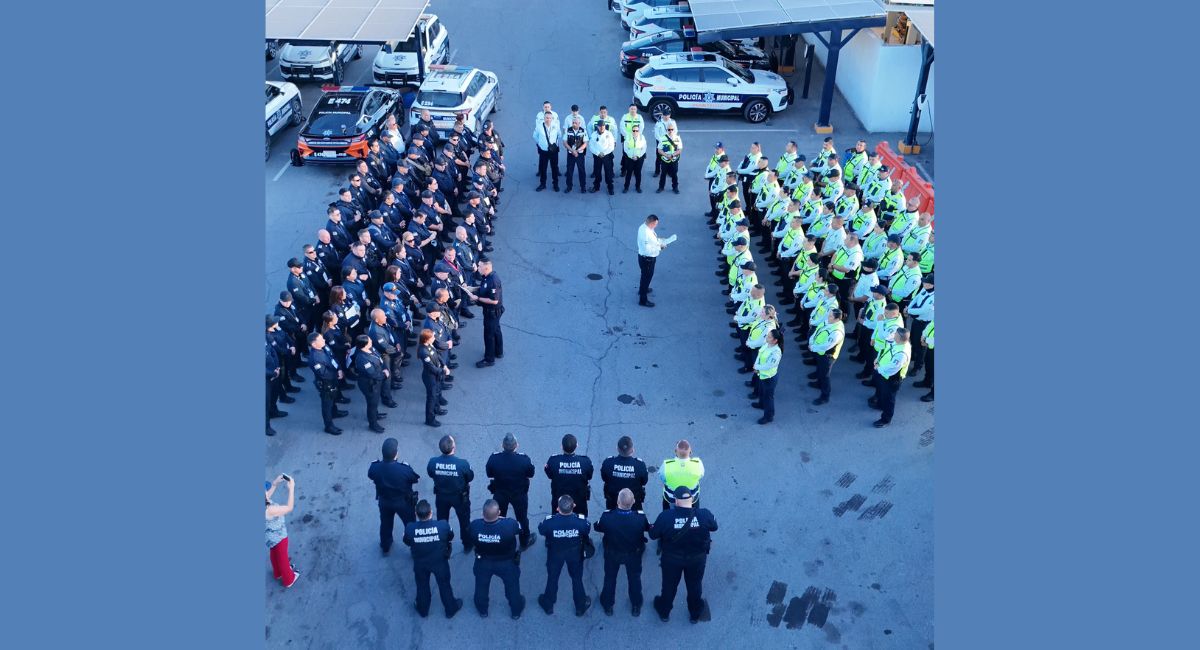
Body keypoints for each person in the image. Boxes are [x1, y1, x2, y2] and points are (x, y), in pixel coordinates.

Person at [650, 486, 718, 624]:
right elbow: (714, 527)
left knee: (669, 586)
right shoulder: (704, 515)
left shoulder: (666, 517)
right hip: (697, 559)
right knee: (694, 585)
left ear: (676, 501)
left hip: (671, 560)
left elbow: (653, 534)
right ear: (692, 499)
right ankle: (694, 614)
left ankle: (664, 612)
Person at [403, 499, 464, 619]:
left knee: (422, 585)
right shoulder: (442, 525)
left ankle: (423, 609)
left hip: (420, 563)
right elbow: (450, 536)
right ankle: (450, 609)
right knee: (444, 585)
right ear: (431, 513)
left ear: (416, 514)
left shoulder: (410, 528)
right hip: (439, 562)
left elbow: (407, 541)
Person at [536, 495, 593, 616]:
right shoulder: (581, 521)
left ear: (557, 508)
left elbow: (541, 530)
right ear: (574, 506)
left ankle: (548, 604)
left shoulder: (549, 522)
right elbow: (587, 530)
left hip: (555, 553)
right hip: (575, 554)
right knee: (576, 579)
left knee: (553, 578)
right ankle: (580, 606)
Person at [596, 488, 650, 616]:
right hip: (633, 554)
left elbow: (598, 527)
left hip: (612, 553)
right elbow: (648, 528)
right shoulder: (640, 518)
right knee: (634, 579)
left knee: (609, 578)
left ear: (617, 501)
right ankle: (636, 605)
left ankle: (608, 605)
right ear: (633, 502)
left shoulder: (607, 516)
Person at [468, 499, 526, 619]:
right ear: (499, 512)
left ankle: (482, 610)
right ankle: (516, 611)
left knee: (481, 586)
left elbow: (470, 535)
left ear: (483, 514)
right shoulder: (509, 525)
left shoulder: (475, 526)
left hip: (483, 561)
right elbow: (520, 529)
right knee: (512, 587)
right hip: (506, 562)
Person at [544, 434, 595, 557]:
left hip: (559, 499)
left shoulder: (553, 460)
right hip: (579, 499)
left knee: (557, 518)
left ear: (561, 446)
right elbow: (589, 476)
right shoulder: (585, 461)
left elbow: (549, 474)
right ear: (577, 446)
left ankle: (552, 538)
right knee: (581, 518)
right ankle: (584, 538)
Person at [368, 437, 419, 555]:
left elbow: (370, 475)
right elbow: (415, 478)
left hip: (384, 501)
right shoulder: (404, 469)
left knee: (385, 523)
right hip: (403, 503)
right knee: (410, 524)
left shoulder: (374, 467)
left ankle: (385, 545)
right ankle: (414, 547)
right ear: (396, 454)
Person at [485, 433, 538, 549]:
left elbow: (489, 473)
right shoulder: (523, 459)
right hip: (519, 494)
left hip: (500, 492)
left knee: (498, 517)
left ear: (502, 445)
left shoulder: (494, 458)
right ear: (516, 446)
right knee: (522, 518)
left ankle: (499, 539)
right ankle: (524, 541)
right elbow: (531, 473)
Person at [428, 435, 474, 552]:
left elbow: (431, 474)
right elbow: (470, 477)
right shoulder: (462, 464)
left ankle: (444, 544)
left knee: (442, 521)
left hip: (441, 496)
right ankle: (467, 544)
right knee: (464, 521)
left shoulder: (433, 462)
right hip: (459, 498)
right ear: (453, 447)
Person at [869, 327, 912, 428]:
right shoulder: (896, 342)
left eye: (896, 334)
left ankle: (886, 419)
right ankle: (880, 405)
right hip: (883, 374)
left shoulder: (902, 353)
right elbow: (884, 349)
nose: (894, 335)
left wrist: (878, 368)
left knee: (889, 399)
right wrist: (878, 359)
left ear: (900, 338)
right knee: (882, 392)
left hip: (892, 379)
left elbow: (892, 368)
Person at [307, 331, 347, 435]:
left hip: (334, 378)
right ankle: (328, 426)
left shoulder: (324, 347)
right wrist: (337, 375)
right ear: (314, 344)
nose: (324, 340)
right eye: (321, 340)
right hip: (326, 383)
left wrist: (339, 369)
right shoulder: (315, 358)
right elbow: (324, 374)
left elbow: (333, 357)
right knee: (326, 404)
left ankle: (335, 412)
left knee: (333, 398)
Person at [265, 475, 300, 588]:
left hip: (269, 537)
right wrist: (292, 489)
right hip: (279, 536)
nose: (267, 491)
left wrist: (275, 484)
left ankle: (278, 573)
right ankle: (289, 579)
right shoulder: (270, 509)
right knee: (283, 557)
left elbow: (267, 496)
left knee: (274, 553)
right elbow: (289, 508)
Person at [806, 308, 845, 405]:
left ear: (837, 319)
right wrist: (811, 342)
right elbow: (817, 332)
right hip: (818, 352)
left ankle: (825, 396)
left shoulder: (837, 332)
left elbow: (826, 346)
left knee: (825, 375)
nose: (828, 316)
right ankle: (818, 383)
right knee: (819, 368)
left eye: (831, 316)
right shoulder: (828, 321)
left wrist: (813, 347)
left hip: (827, 356)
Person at [600, 436, 649, 511]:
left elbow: (604, 478)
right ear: (632, 450)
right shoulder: (640, 465)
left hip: (613, 501)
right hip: (633, 503)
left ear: (617, 449)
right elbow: (644, 481)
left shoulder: (608, 463)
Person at [353, 335, 388, 433]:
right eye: (369, 341)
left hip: (376, 381)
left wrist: (384, 368)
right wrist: (384, 375)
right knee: (372, 403)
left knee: (375, 401)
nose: (371, 341)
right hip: (369, 384)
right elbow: (372, 373)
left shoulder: (371, 349)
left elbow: (380, 359)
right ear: (364, 345)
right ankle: (373, 424)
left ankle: (375, 415)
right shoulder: (362, 358)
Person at [474, 257, 504, 367]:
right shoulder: (487, 277)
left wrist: (477, 298)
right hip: (492, 312)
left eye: (479, 266)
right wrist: (474, 289)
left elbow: (494, 300)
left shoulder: (493, 281)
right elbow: (484, 288)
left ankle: (489, 359)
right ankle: (498, 352)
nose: (477, 268)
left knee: (489, 335)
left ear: (486, 268)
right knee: (496, 330)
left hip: (492, 312)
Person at [660, 440, 704, 512]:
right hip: (691, 498)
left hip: (672, 498)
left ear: (675, 451)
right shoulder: (697, 464)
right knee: (694, 515)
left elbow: (663, 478)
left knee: (669, 515)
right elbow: (701, 475)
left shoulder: (666, 465)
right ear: (690, 452)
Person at [751, 328, 783, 424]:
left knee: (768, 397)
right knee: (761, 391)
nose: (767, 337)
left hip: (769, 378)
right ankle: (761, 404)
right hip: (762, 374)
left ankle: (769, 416)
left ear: (775, 340)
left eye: (769, 337)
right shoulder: (767, 345)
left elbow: (769, 365)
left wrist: (757, 367)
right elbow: (760, 355)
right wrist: (756, 366)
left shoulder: (776, 352)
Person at [636, 214, 670, 307]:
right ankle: (643, 300)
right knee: (646, 277)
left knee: (645, 276)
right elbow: (647, 249)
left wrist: (658, 241)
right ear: (651, 223)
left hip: (644, 257)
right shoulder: (646, 233)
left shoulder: (644, 227)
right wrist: (660, 247)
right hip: (647, 259)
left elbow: (652, 240)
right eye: (655, 224)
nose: (656, 226)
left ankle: (643, 289)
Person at [418, 329, 448, 427]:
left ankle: (437, 408)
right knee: (431, 398)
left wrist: (444, 365)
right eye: (432, 337)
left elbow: (437, 355)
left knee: (437, 392)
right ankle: (430, 419)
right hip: (430, 377)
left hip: (436, 375)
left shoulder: (430, 345)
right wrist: (443, 371)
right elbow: (431, 367)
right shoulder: (423, 351)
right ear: (426, 339)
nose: (434, 338)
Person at [533, 111, 561, 192]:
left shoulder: (556, 126)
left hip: (554, 151)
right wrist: (541, 144)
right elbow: (535, 136)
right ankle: (542, 184)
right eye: (546, 118)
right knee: (543, 168)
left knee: (554, 168)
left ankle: (555, 184)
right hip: (544, 151)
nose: (548, 119)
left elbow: (559, 135)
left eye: (549, 118)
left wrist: (554, 145)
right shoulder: (539, 127)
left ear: (552, 118)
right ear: (544, 118)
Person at [562, 115, 589, 193]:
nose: (574, 124)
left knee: (581, 171)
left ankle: (583, 187)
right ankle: (569, 187)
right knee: (569, 171)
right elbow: (564, 142)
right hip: (570, 154)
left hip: (580, 154)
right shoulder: (568, 130)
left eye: (576, 123)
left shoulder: (583, 131)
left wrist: (577, 151)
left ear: (579, 123)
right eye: (573, 123)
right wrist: (572, 150)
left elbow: (585, 143)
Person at [590, 121, 616, 194]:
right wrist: (598, 153)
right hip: (597, 156)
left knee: (608, 173)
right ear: (597, 126)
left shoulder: (609, 134)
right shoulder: (594, 135)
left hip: (607, 156)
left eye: (603, 126)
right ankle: (596, 187)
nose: (602, 128)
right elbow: (591, 146)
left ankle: (610, 188)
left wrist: (604, 153)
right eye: (600, 126)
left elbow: (611, 146)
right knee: (597, 172)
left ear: (605, 126)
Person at [655, 123, 681, 194]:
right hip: (665, 160)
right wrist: (666, 155)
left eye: (672, 129)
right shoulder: (662, 138)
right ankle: (661, 187)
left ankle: (675, 187)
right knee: (663, 174)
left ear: (674, 130)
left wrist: (672, 155)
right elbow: (659, 150)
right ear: (666, 130)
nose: (670, 131)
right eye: (669, 129)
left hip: (674, 159)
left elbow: (679, 150)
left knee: (674, 174)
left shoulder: (677, 138)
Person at [621, 124, 647, 193]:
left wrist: (638, 156)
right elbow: (625, 149)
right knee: (629, 173)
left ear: (639, 131)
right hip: (630, 158)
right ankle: (626, 187)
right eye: (634, 130)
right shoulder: (628, 137)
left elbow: (644, 149)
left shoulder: (642, 137)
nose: (635, 132)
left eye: (637, 131)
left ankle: (638, 187)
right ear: (632, 131)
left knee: (638, 173)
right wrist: (631, 156)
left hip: (639, 158)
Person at [914, 320, 935, 402]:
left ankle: (934, 394)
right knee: (929, 365)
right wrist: (923, 336)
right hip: (931, 347)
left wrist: (926, 340)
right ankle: (927, 382)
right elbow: (930, 325)